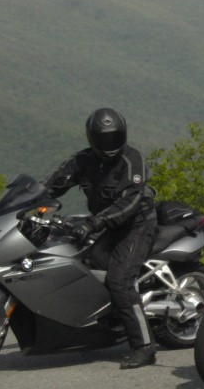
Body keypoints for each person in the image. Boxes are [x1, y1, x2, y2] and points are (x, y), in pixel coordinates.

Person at [43, 108, 161, 370]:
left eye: (114, 137)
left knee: (120, 280)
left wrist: (94, 223)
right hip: (104, 224)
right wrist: (30, 197)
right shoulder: (82, 161)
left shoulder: (133, 161)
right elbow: (54, 184)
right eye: (104, 138)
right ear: (92, 137)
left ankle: (144, 346)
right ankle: (105, 318)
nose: (110, 144)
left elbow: (130, 203)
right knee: (79, 263)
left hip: (136, 226)